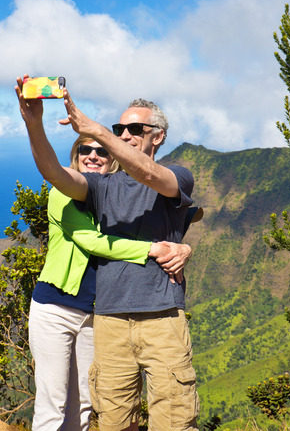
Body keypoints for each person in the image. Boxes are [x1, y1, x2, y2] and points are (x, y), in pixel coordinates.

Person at [16, 75, 199, 431]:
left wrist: (99, 132)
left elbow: (150, 174)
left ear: (157, 136)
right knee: (111, 420)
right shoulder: (100, 185)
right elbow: (54, 173)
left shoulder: (177, 175)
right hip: (109, 321)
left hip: (162, 318)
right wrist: (33, 123)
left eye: (135, 129)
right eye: (120, 128)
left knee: (174, 418)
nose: (124, 134)